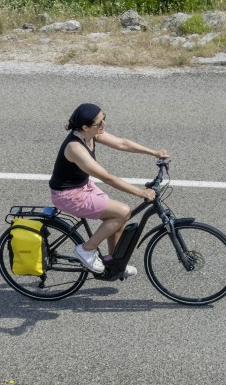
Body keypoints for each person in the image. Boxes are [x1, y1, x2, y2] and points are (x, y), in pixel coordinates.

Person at [51, 103, 164, 276]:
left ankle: (114, 262)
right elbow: (107, 177)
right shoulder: (75, 148)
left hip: (83, 187)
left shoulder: (91, 134)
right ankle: (86, 249)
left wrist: (153, 152)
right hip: (68, 196)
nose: (104, 125)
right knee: (122, 211)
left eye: (104, 118)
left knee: (119, 216)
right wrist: (140, 192)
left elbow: (122, 143)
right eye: (99, 123)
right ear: (85, 127)